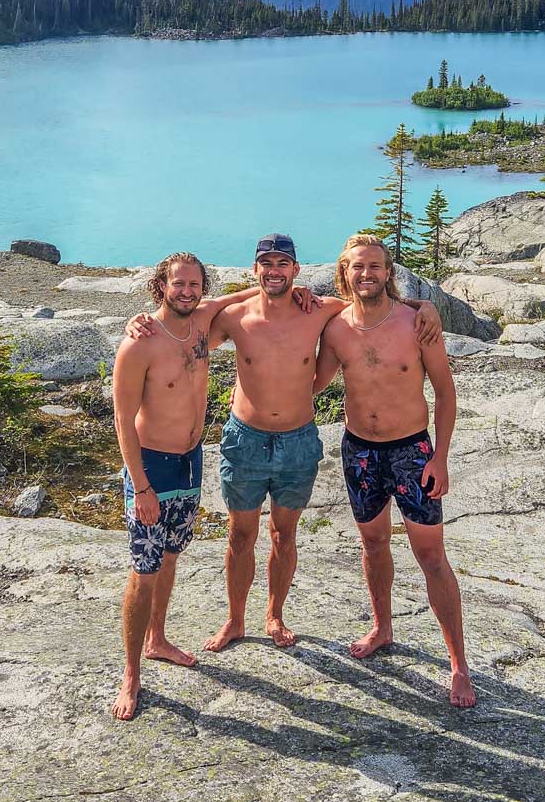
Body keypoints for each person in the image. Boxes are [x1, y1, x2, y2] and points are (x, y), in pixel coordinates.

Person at [127, 232, 441, 655]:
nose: (274, 271)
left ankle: (274, 614)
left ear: (295, 270)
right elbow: (182, 319)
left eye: (282, 264)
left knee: (284, 534)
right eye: (266, 264)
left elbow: (375, 303)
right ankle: (236, 619)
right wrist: (141, 319)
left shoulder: (322, 311)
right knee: (240, 534)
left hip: (297, 440)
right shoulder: (233, 317)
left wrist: (426, 306)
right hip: (246, 439)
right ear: (254, 270)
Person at [110, 250, 313, 721]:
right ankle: (131, 673)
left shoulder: (202, 323)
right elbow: (122, 421)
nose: (186, 292)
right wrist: (140, 486)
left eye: (194, 285)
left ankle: (158, 639)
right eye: (177, 284)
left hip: (190, 462)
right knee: (144, 568)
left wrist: (293, 290)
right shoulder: (138, 343)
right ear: (160, 286)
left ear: (204, 288)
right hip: (152, 468)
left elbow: (251, 293)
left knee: (171, 556)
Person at [314, 233, 476, 708]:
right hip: (360, 452)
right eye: (356, 267)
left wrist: (440, 456)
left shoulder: (416, 323)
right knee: (373, 542)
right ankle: (382, 626)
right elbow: (315, 381)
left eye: (375, 267)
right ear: (344, 274)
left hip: (411, 451)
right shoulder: (336, 328)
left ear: (388, 273)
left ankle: (459, 665)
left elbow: (445, 393)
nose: (366, 275)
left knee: (431, 557)